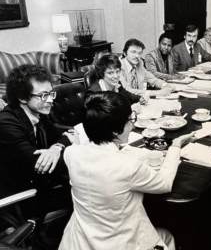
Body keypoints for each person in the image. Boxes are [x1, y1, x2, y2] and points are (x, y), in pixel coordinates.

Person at [59, 91, 195, 250]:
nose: (132, 125)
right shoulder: (128, 166)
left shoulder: (71, 153)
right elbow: (164, 183)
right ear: (115, 131)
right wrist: (176, 146)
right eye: (130, 120)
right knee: (167, 236)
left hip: (80, 241)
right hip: (122, 244)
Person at [0, 64, 73, 211]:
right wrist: (63, 147)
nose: (50, 100)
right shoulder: (6, 123)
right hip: (21, 196)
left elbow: (66, 135)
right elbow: (38, 164)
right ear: (22, 97)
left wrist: (56, 148)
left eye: (51, 93)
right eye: (43, 95)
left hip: (41, 183)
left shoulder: (39, 112)